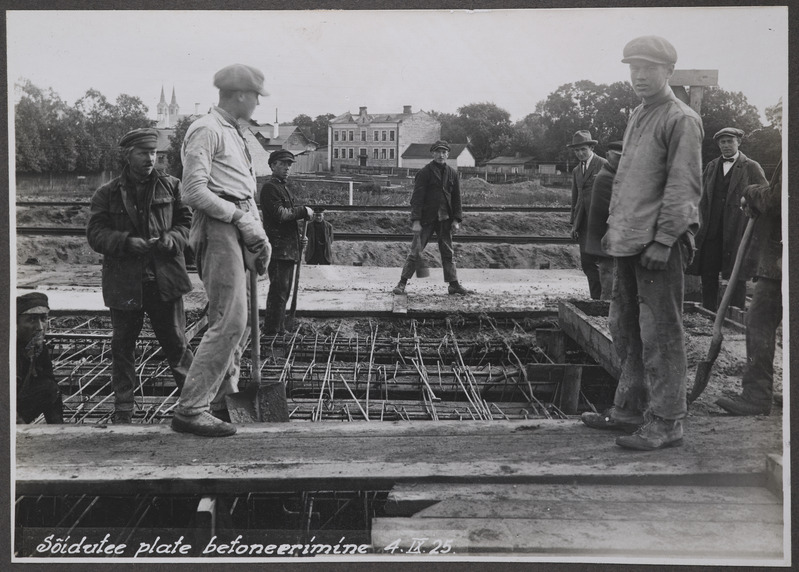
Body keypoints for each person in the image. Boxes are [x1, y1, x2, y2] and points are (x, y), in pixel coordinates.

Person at [581, 36, 703, 450]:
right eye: (633, 68)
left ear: (669, 71)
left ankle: (667, 421)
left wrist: (665, 240)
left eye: (648, 68)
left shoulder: (680, 118)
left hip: (656, 248)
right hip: (629, 241)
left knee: (660, 334)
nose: (639, 75)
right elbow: (628, 180)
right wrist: (614, 227)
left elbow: (684, 186)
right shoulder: (638, 113)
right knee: (625, 327)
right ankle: (630, 408)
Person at [172, 63, 271, 437]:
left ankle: (221, 400)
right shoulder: (207, 129)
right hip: (219, 226)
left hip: (238, 224)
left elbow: (243, 190)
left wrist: (257, 231)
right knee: (229, 320)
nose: (257, 103)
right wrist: (241, 220)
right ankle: (191, 409)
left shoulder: (234, 132)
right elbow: (193, 191)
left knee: (240, 323)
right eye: (256, 96)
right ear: (241, 94)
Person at [87, 128, 194, 424]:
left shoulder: (172, 186)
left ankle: (194, 406)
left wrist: (173, 239)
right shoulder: (107, 193)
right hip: (125, 284)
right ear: (128, 155)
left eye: (154, 153)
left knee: (177, 344)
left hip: (165, 281)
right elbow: (95, 234)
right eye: (143, 153)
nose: (150, 158)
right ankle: (123, 410)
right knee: (122, 347)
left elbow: (188, 224)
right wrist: (125, 243)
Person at [716, 161, 782, 416]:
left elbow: (776, 200)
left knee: (759, 321)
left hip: (782, 261)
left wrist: (751, 192)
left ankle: (756, 395)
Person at [686, 127, 767, 311]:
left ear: (739, 142)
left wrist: (750, 204)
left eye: (730, 141)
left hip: (737, 230)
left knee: (737, 274)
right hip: (711, 230)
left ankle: (735, 315)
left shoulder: (751, 166)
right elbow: (700, 195)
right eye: (722, 142)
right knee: (708, 273)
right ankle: (708, 313)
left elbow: (764, 194)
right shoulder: (712, 166)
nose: (726, 145)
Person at [392, 140, 471, 296]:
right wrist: (416, 220)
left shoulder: (452, 173)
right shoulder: (424, 173)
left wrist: (456, 219)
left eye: (444, 152)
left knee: (448, 253)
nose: (441, 155)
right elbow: (417, 199)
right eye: (438, 152)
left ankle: (453, 285)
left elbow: (457, 198)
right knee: (416, 251)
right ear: (433, 154)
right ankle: (402, 283)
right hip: (426, 220)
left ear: (448, 154)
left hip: (445, 219)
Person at [260, 149, 313, 335]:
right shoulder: (270, 188)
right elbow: (281, 215)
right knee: (279, 291)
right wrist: (303, 211)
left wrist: (298, 240)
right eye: (282, 164)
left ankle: (279, 328)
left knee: (283, 291)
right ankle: (273, 331)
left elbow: (288, 221)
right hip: (278, 250)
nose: (287, 167)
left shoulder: (283, 188)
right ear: (272, 165)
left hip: (287, 249)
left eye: (289, 164)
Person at [568, 130, 608, 299]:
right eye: (577, 150)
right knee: (587, 264)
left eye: (583, 149)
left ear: (591, 148)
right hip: (584, 224)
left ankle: (606, 300)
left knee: (604, 264)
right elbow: (575, 198)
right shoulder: (577, 170)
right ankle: (596, 300)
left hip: (601, 223)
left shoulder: (604, 164)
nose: (580, 153)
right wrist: (574, 224)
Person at [16, 292, 63, 424]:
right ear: (16, 323)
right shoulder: (7, 350)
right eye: (32, 320)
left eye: (43, 319)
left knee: (50, 388)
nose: (40, 327)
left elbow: (50, 387)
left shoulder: (40, 349)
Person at [584, 141, 622, 301]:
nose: (621, 161)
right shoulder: (606, 177)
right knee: (609, 284)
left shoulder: (611, 174)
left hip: (608, 240)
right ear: (608, 156)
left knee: (611, 282)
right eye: (617, 157)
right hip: (606, 241)